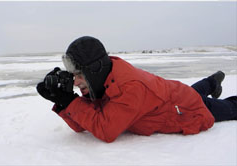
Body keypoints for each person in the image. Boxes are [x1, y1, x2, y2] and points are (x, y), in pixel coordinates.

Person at [37, 36, 237, 143]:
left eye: (78, 74)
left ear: (93, 70)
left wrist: (70, 102)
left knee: (227, 107)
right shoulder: (101, 80)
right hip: (170, 94)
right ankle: (211, 82)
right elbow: (85, 124)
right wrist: (63, 101)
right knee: (191, 92)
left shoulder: (130, 89)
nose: (75, 81)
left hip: (184, 108)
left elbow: (106, 130)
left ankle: (211, 83)